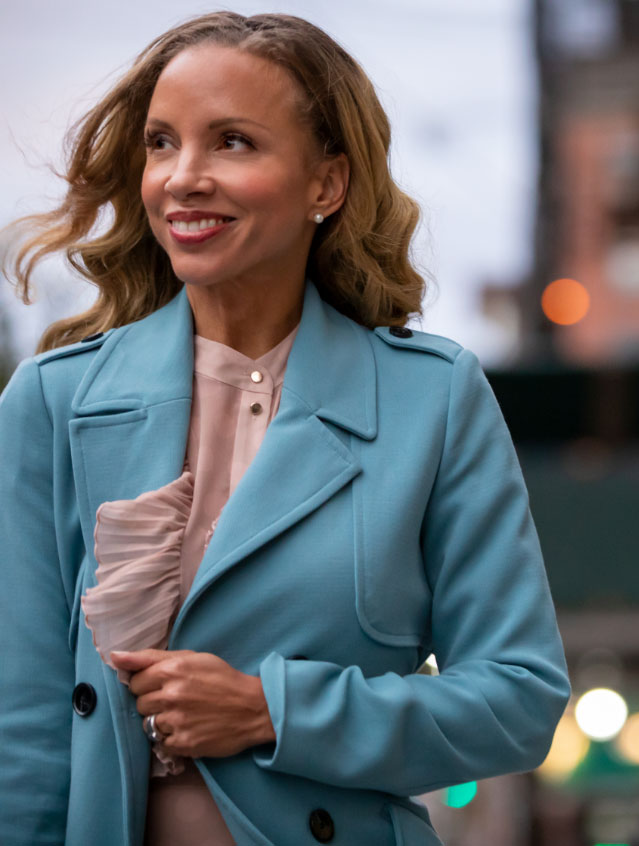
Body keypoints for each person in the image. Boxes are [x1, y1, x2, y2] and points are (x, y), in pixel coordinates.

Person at [0, 12, 571, 846]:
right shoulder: (51, 403)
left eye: (232, 142)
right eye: (163, 143)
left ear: (326, 185)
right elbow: (23, 733)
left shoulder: (434, 399)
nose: (183, 178)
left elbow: (518, 701)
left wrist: (275, 711)